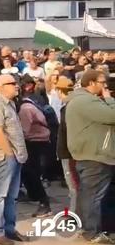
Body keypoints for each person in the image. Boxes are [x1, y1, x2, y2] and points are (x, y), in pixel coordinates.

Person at [66, 70, 115, 244]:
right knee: (93, 196)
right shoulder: (85, 101)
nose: (105, 85)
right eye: (102, 82)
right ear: (91, 83)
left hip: (94, 154)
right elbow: (112, 116)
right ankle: (91, 232)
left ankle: (88, 229)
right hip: (95, 155)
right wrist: (109, 99)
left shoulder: (83, 100)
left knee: (88, 194)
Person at [0, 74, 29, 245]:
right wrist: (8, 153)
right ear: (2, 86)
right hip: (5, 156)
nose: (17, 86)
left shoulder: (10, 103)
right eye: (13, 83)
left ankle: (10, 229)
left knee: (12, 195)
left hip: (16, 156)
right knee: (0, 195)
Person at [18, 83, 53, 218]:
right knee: (29, 171)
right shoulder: (29, 105)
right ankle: (34, 195)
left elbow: (24, 131)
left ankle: (44, 202)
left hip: (35, 142)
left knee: (31, 171)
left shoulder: (25, 109)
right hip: (39, 140)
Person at [54, 76, 78, 213]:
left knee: (73, 186)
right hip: (70, 152)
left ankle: (75, 213)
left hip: (69, 153)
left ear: (59, 90)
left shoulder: (68, 108)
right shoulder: (72, 105)